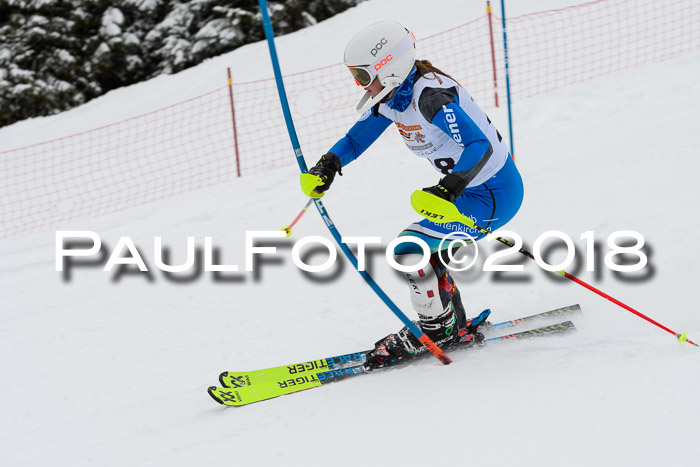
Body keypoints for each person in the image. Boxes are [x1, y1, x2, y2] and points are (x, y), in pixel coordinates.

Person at [300, 22, 524, 369]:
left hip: (494, 193)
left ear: (388, 66)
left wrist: (449, 189)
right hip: (469, 192)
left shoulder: (429, 96)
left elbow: (478, 144)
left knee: (409, 250)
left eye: (362, 75)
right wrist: (327, 165)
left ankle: (437, 332)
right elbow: (356, 140)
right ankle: (449, 324)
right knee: (420, 248)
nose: (360, 84)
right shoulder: (395, 96)